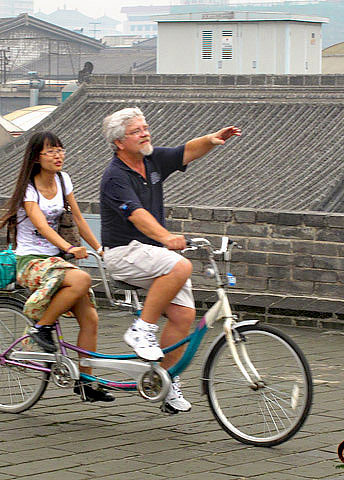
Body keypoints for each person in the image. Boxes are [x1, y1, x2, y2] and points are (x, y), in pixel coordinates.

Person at [99, 107, 240, 413]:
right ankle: (141, 329)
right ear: (120, 142)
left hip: (152, 255)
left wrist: (212, 139)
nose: (145, 134)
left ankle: (164, 380)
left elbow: (184, 152)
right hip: (123, 252)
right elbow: (137, 215)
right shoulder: (114, 177)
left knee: (184, 317)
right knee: (180, 265)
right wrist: (165, 237)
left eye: (146, 128)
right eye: (137, 131)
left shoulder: (151, 160)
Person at [0, 131, 113, 403]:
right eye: (51, 151)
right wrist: (71, 248)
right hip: (30, 261)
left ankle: (86, 381)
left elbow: (80, 219)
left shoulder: (63, 179)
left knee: (91, 319)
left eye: (60, 150)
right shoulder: (29, 187)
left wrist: (100, 249)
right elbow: (41, 225)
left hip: (55, 261)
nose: (58, 156)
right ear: (37, 157)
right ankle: (42, 327)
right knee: (81, 279)